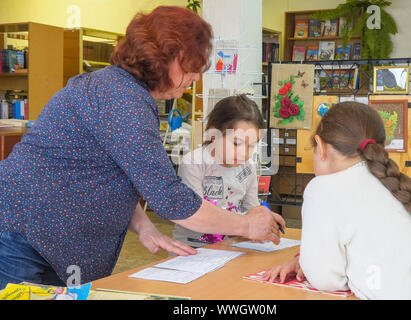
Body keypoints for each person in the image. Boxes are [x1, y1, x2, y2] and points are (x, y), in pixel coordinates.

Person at [0, 6, 285, 290]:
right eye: (191, 66)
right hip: (26, 235)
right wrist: (246, 226)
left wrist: (142, 225)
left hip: (46, 238)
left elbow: (114, 171)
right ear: (165, 58)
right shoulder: (123, 101)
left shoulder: (119, 91)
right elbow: (171, 199)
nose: (195, 77)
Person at [263, 102, 411, 300]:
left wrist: (318, 267)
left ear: (320, 146)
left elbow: (325, 279)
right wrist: (306, 261)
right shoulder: (394, 183)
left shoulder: (321, 188)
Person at [173, 95, 263, 247]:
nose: (244, 153)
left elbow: (251, 208)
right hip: (192, 250)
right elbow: (195, 214)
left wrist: (263, 218)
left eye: (251, 146)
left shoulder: (248, 168)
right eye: (237, 143)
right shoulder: (194, 163)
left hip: (231, 247)